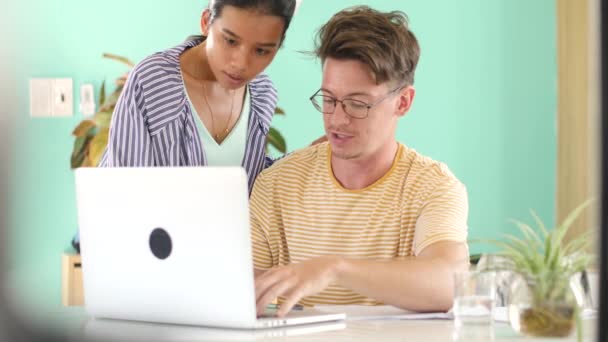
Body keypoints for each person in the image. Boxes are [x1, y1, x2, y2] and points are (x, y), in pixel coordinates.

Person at [250, 5, 470, 317]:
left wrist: (335, 269)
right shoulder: (277, 184)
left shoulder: (432, 186)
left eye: (357, 104)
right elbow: (241, 292)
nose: (337, 119)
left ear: (403, 102)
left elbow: (449, 284)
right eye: (328, 99)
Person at [99, 0, 296, 194]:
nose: (241, 64)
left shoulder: (263, 93)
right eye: (230, 40)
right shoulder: (152, 81)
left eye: (261, 50)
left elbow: (254, 183)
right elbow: (123, 194)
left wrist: (310, 156)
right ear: (206, 22)